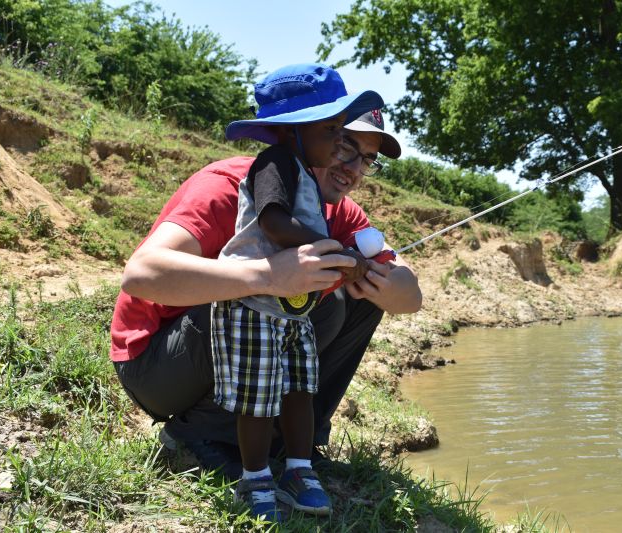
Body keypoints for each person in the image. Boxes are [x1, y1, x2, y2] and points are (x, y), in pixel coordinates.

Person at [108, 72, 420, 517]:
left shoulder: (338, 210)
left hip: (220, 350)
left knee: (349, 299)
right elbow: (142, 275)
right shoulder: (232, 182)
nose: (351, 166)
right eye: (344, 143)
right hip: (156, 364)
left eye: (366, 160)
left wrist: (386, 280)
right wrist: (269, 276)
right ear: (307, 132)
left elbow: (411, 297)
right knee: (301, 303)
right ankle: (196, 437)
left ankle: (293, 446)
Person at [211, 63, 383, 520]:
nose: (337, 141)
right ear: (295, 130)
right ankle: (254, 478)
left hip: (290, 312)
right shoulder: (276, 163)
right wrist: (334, 250)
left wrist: (342, 254)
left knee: (299, 388)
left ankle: (298, 469)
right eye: (330, 130)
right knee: (258, 395)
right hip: (253, 305)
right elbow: (273, 222)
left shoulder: (304, 171)